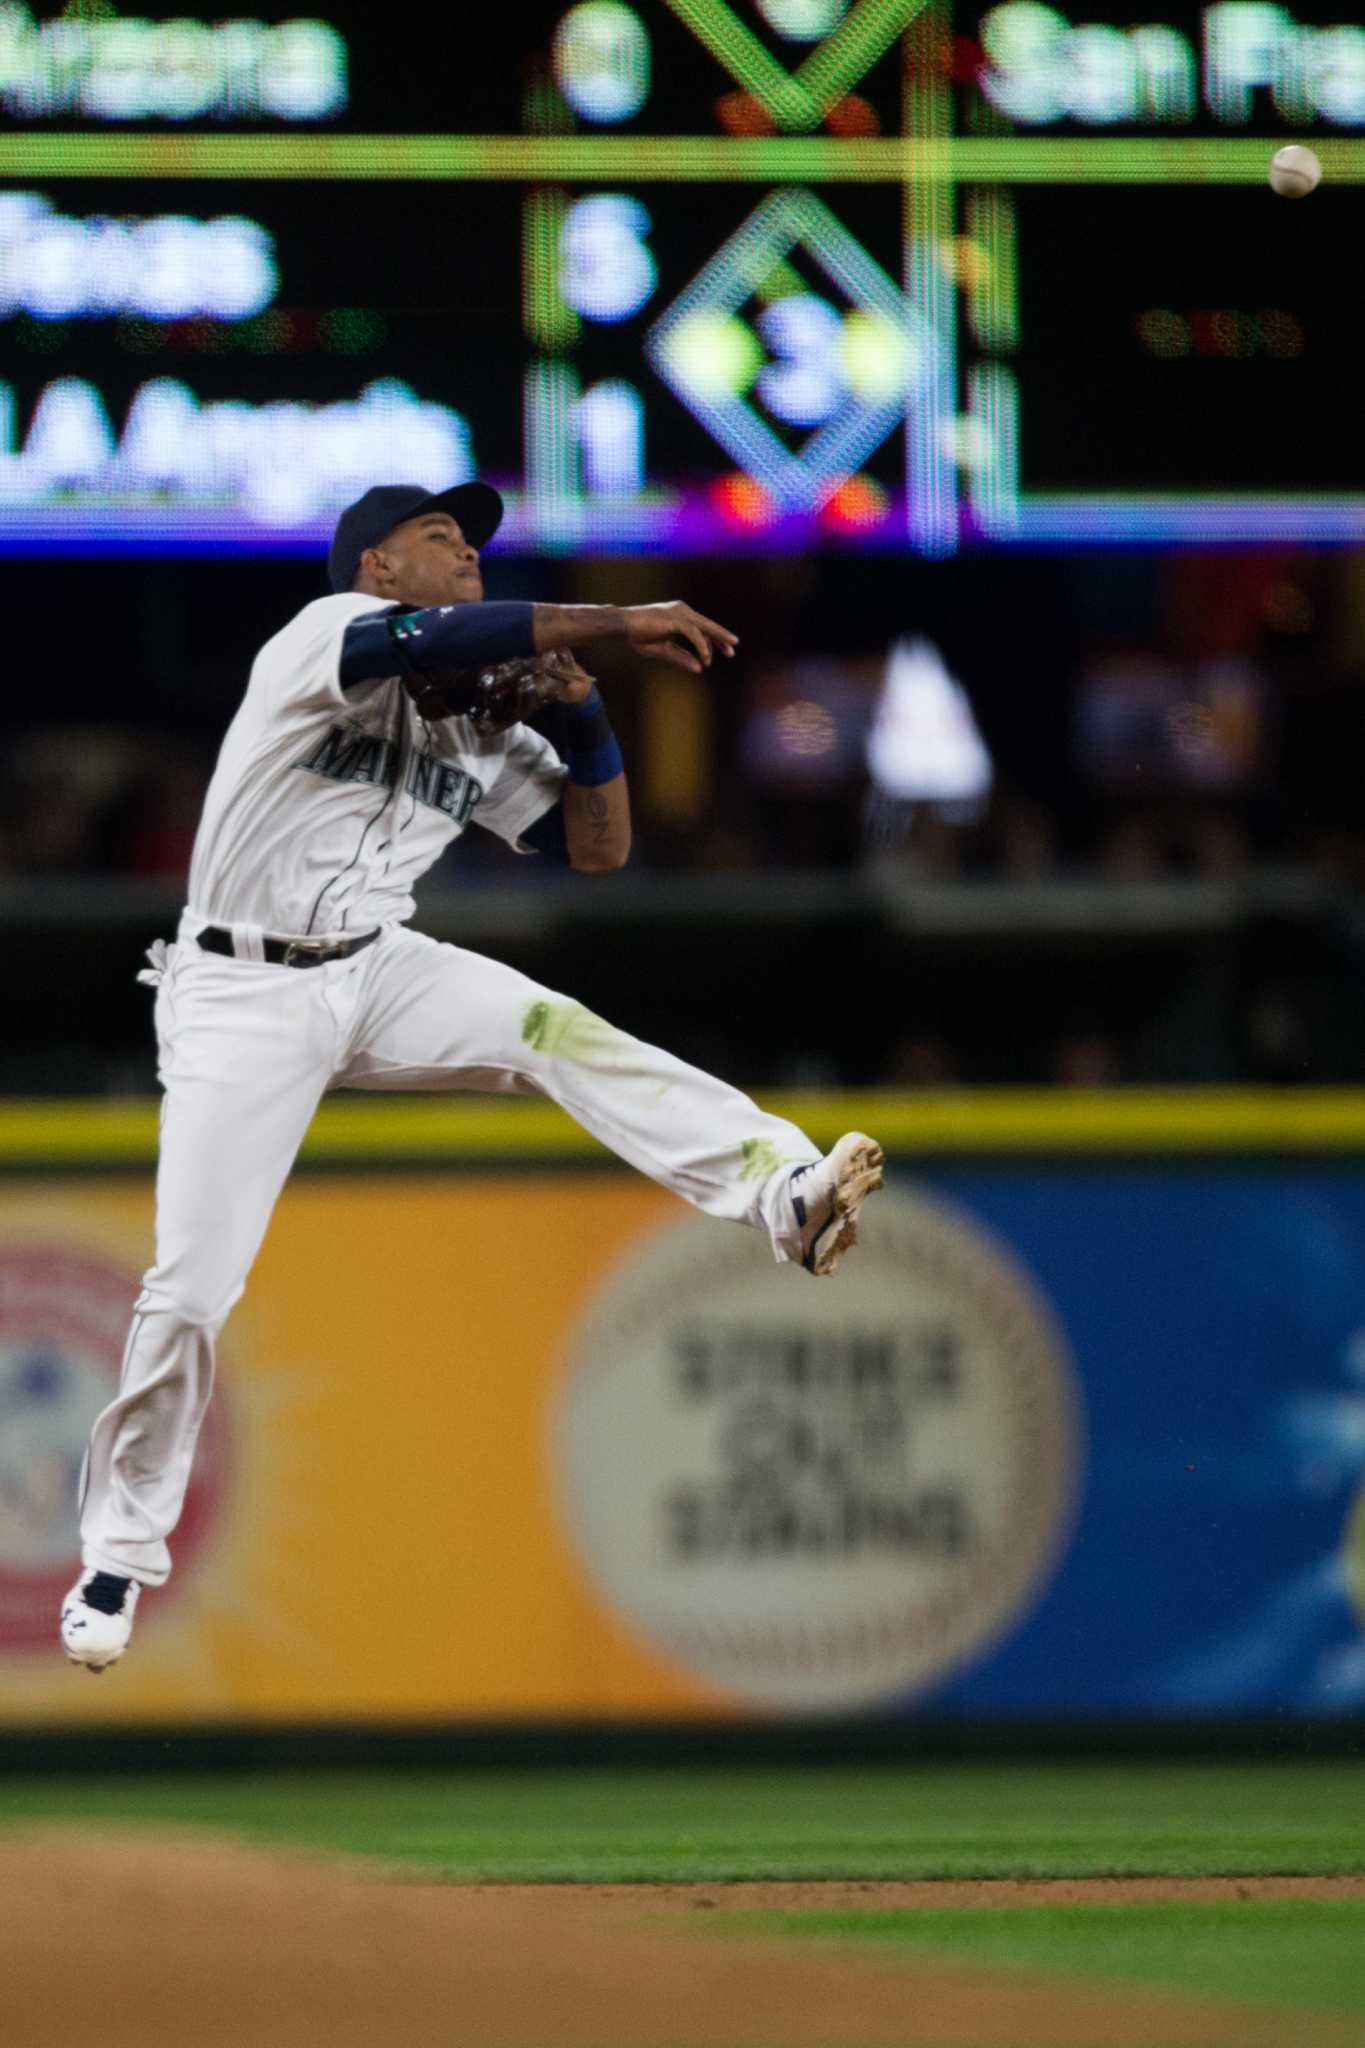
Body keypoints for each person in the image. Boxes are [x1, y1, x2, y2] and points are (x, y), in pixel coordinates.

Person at [59, 481, 884, 1674]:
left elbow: (599, 849)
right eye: (443, 538)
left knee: (553, 1026)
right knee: (190, 1290)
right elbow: (444, 641)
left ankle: (781, 1189)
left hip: (378, 963)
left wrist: (589, 707)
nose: (469, 556)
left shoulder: (476, 728)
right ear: (378, 567)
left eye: (475, 542)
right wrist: (611, 622)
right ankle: (116, 1554)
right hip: (239, 987)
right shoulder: (317, 637)